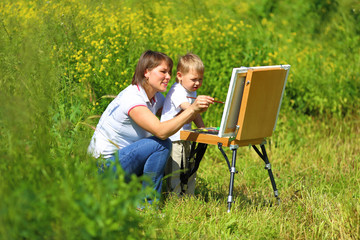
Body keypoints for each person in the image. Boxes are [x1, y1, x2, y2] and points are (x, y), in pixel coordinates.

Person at [87, 50, 214, 204]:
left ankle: (140, 191)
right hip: (104, 168)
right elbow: (161, 131)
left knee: (159, 144)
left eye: (169, 72)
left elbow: (174, 114)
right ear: (146, 72)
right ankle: (147, 203)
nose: (168, 77)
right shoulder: (133, 98)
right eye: (163, 72)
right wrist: (193, 109)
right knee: (161, 143)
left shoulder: (155, 97)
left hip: (124, 162)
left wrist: (204, 128)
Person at [160, 53, 206, 196]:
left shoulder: (192, 91)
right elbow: (189, 108)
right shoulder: (177, 90)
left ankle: (188, 195)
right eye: (193, 79)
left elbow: (194, 114)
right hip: (173, 138)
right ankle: (175, 198)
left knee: (189, 167)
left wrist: (203, 130)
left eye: (200, 79)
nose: (197, 83)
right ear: (180, 76)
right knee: (176, 169)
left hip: (185, 136)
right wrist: (197, 107)